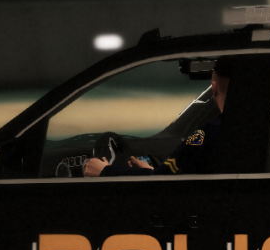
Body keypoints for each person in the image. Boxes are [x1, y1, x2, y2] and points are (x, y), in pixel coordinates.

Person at [82, 62, 229, 177]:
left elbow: (161, 181)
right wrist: (153, 171)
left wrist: (105, 171)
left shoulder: (208, 135)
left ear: (213, 88)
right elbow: (166, 176)